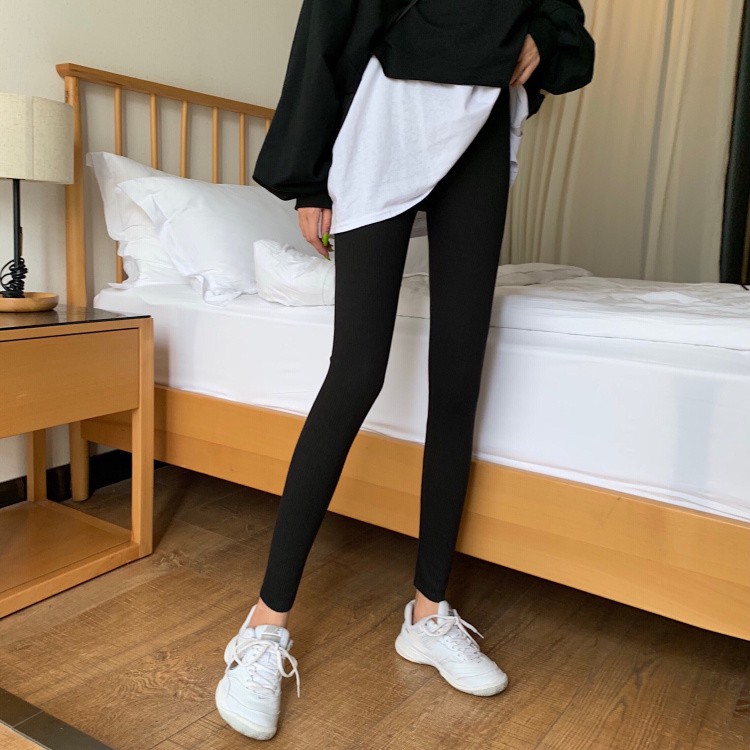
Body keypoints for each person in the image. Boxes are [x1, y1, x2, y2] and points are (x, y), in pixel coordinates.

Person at [215, 0, 595, 741]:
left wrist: (542, 36)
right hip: (387, 117)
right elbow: (329, 23)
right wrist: (310, 182)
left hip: (482, 118)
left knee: (457, 378)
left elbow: (563, 16)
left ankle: (428, 613)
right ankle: (263, 625)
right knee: (357, 372)